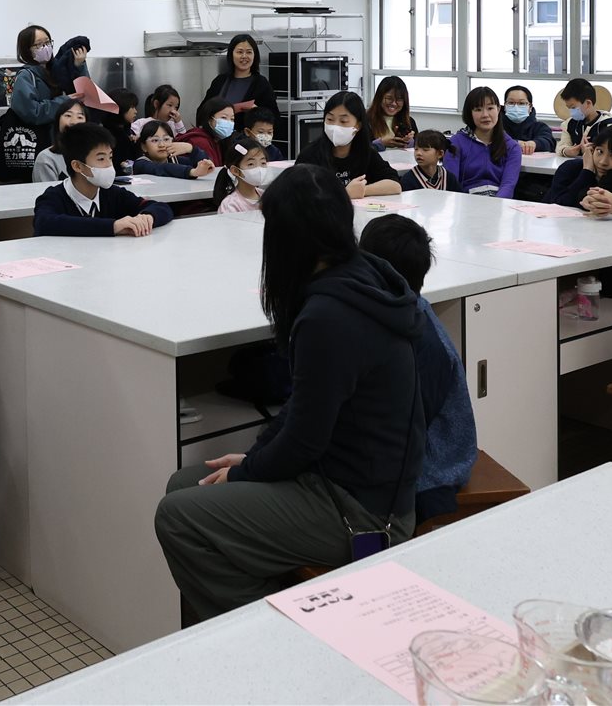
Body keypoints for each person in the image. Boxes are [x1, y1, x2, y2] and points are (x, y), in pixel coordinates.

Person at [153, 166, 423, 620]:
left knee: (178, 517)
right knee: (185, 485)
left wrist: (248, 470)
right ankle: (270, 604)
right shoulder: (362, 276)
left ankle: (269, 635)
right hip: (350, 479)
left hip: (363, 511)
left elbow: (304, 439)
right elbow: (305, 409)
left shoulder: (328, 315)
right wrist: (254, 459)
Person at [360, 214, 478, 527]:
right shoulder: (404, 311)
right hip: (415, 455)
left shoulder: (422, 343)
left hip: (433, 471)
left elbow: (404, 425)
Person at [34, 124, 175, 237]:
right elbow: (45, 222)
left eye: (110, 157)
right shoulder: (53, 197)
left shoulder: (111, 193)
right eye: (101, 159)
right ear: (77, 166)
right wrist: (113, 226)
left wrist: (148, 217)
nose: (109, 165)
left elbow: (161, 207)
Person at [296, 92, 402, 199]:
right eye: (330, 119)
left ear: (358, 125)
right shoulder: (310, 155)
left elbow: (395, 185)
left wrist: (362, 190)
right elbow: (299, 193)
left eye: (343, 121)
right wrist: (344, 193)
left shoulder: (365, 152)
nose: (335, 126)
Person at [446, 86, 520, 197]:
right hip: (465, 201)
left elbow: (508, 185)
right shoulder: (455, 143)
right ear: (470, 113)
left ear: (498, 109)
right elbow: (451, 185)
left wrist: (495, 204)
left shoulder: (512, 146)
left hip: (499, 202)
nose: (485, 115)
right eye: (478, 109)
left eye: (490, 108)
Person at [9, 25, 81, 133]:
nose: (45, 47)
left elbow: (82, 93)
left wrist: (79, 66)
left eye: (47, 42)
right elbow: (32, 113)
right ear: (27, 50)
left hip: (61, 135)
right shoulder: (26, 76)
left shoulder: (58, 70)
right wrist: (63, 102)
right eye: (38, 44)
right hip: (40, 137)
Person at [546, 117, 612, 208]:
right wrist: (587, 171)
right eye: (600, 151)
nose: (603, 162)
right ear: (592, 149)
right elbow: (558, 205)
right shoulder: (570, 168)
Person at [201, 34, 278, 123]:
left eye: (249, 52)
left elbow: (275, 118)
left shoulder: (261, 83)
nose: (244, 56)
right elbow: (202, 111)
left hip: (246, 132)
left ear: (255, 55)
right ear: (231, 54)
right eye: (240, 52)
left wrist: (256, 111)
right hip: (217, 131)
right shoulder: (220, 80)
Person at [128, 121, 218, 180]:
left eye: (166, 139)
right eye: (155, 140)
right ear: (144, 146)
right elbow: (161, 168)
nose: (162, 145)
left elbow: (206, 165)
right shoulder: (140, 164)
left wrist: (191, 149)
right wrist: (192, 172)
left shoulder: (175, 160)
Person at [29, 103, 87, 184]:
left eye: (80, 117)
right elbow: (47, 191)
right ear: (57, 122)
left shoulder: (94, 155)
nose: (74, 122)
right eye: (68, 115)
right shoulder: (46, 158)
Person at [213, 139, 273, 214]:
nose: (259, 169)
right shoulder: (230, 205)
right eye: (251, 164)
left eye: (263, 163)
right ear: (235, 170)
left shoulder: (267, 197)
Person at [500, 84, 556, 155]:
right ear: (505, 105)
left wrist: (534, 144)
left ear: (530, 107)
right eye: (511, 103)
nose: (516, 107)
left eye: (521, 103)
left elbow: (549, 142)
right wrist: (515, 143)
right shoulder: (496, 126)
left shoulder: (540, 127)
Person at [367, 76, 417, 150]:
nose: (394, 103)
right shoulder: (366, 121)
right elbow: (360, 151)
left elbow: (420, 149)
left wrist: (410, 143)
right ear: (379, 98)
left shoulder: (409, 122)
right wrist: (380, 144)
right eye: (389, 98)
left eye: (399, 99)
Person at [558, 78, 601, 149]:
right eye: (569, 108)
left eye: (573, 107)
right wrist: (567, 151)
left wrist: (588, 152)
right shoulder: (569, 124)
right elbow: (561, 146)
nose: (571, 112)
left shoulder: (607, 125)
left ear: (588, 103)